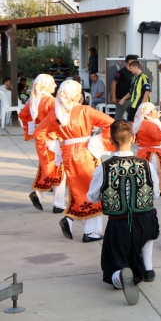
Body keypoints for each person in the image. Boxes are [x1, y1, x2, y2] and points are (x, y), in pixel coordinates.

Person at [87, 120, 160, 306]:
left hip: (119, 226)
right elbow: (156, 195)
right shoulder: (147, 165)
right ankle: (148, 269)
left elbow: (93, 197)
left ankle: (119, 277)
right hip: (146, 223)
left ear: (110, 140)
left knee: (111, 268)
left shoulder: (103, 168)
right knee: (149, 217)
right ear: (133, 139)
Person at [33, 80, 114, 243]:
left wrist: (54, 146)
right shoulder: (84, 110)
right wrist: (100, 141)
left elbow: (38, 133)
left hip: (68, 153)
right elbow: (112, 124)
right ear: (77, 95)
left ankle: (71, 220)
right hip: (86, 152)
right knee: (93, 189)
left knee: (79, 190)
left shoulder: (55, 113)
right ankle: (90, 231)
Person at [18, 74, 66, 213]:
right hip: (52, 139)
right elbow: (59, 120)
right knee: (58, 170)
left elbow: (22, 115)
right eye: (52, 83)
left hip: (41, 139)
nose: (55, 86)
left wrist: (33, 128)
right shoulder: (50, 101)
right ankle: (54, 201)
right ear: (46, 85)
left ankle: (50, 199)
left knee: (52, 169)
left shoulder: (34, 100)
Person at [112, 54, 139, 120]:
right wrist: (114, 97)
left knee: (134, 116)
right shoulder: (121, 72)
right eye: (133, 60)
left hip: (130, 98)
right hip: (121, 99)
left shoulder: (132, 72)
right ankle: (114, 129)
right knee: (118, 117)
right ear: (129, 61)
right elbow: (113, 83)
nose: (135, 62)